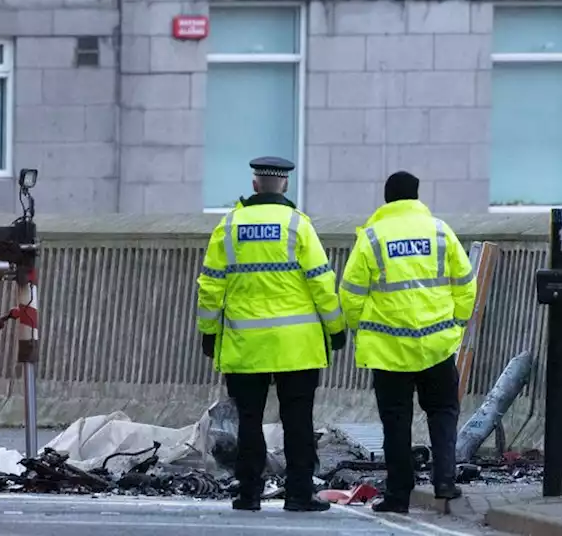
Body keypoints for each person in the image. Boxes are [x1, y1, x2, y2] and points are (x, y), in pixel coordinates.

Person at [196, 156, 346, 512]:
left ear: (253, 186)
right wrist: (336, 328)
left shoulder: (229, 226)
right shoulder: (298, 225)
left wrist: (208, 331)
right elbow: (323, 284)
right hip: (297, 346)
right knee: (297, 420)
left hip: (246, 344)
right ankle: (298, 494)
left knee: (249, 419)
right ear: (285, 185)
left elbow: (210, 287)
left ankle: (248, 493)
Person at [338, 171, 477, 513]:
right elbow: (466, 284)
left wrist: (360, 329)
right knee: (443, 412)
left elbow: (350, 294)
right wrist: (455, 323)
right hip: (437, 347)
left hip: (389, 351)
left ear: (387, 199)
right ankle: (445, 480)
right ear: (416, 197)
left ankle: (399, 495)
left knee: (396, 422)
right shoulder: (441, 232)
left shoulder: (372, 238)